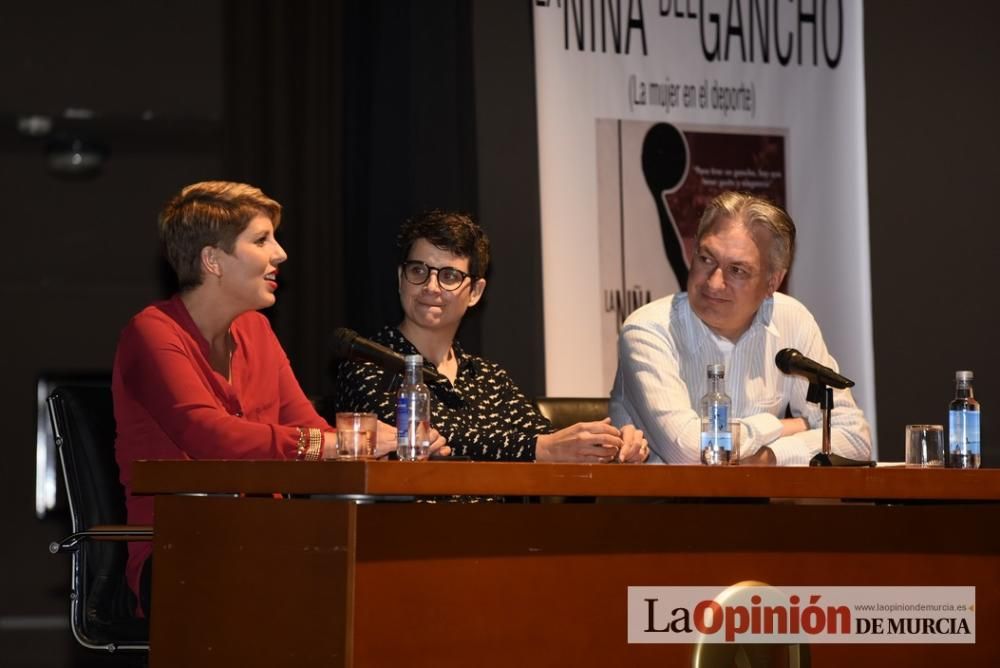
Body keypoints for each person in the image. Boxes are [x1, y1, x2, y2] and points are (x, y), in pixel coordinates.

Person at [113, 181, 446, 616]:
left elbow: (311, 427)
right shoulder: (153, 333)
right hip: (184, 551)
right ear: (212, 260)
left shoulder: (256, 331)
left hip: (268, 540)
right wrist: (332, 444)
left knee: (395, 578)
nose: (281, 253)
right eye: (261, 239)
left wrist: (384, 444)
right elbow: (208, 436)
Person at [334, 210, 649, 463]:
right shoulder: (365, 362)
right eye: (418, 271)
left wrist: (609, 445)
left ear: (475, 292)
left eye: (448, 276)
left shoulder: (489, 377)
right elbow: (430, 436)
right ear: (401, 278)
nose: (430, 287)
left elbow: (546, 437)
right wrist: (540, 448)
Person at [609, 191, 872, 465]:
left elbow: (855, 438)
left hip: (762, 506)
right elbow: (690, 452)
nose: (713, 282)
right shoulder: (649, 330)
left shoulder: (791, 320)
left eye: (737, 270)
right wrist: (782, 426)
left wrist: (770, 457)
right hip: (664, 506)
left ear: (773, 282)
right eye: (706, 259)